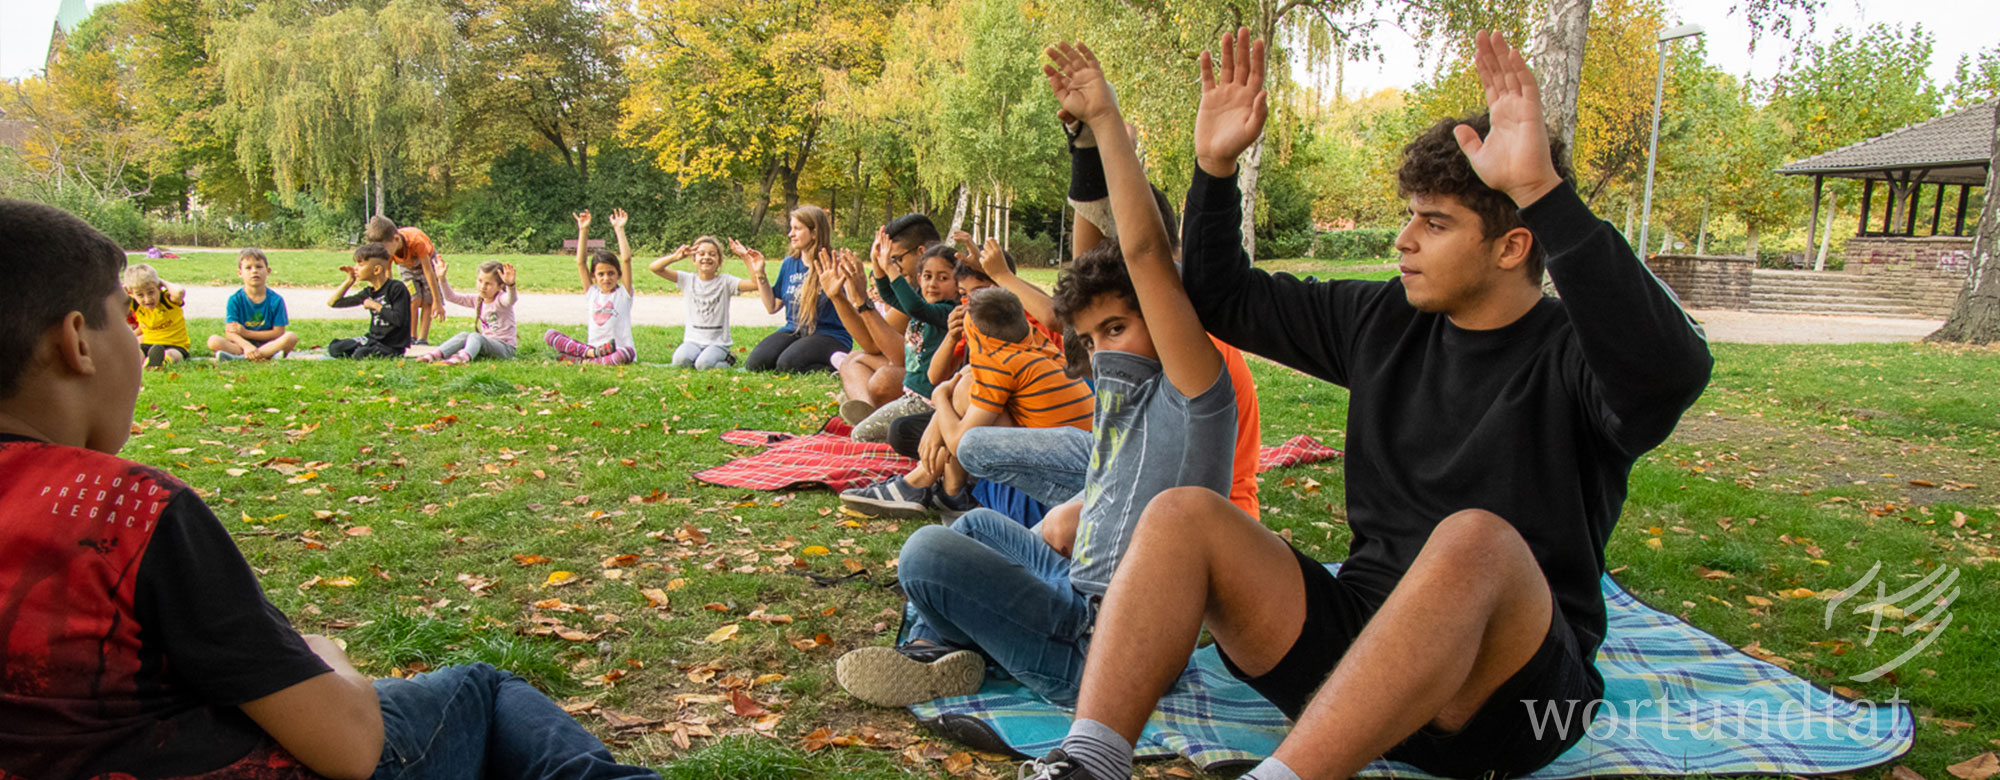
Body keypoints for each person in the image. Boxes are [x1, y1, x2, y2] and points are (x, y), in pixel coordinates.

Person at [1017, 32, 1712, 780]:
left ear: (1513, 247)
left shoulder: (1579, 357)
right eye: (1410, 215)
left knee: (1474, 539)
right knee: (1183, 513)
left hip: (1502, 700)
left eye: (1434, 223)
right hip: (1353, 665)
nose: (1404, 241)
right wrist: (1215, 169)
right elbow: (1224, 299)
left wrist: (1547, 196)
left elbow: (1668, 374)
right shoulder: (1386, 322)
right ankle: (1089, 760)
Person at [0, 198, 661, 780]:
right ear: (78, 342)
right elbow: (349, 747)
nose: (139, 337)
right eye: (126, 318)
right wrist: (327, 656)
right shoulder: (130, 512)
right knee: (480, 692)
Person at [833, 48, 1237, 710]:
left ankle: (962, 643)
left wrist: (1107, 124)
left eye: (1119, 330)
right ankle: (938, 654)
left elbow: (1142, 258)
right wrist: (1081, 145)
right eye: (1095, 333)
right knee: (974, 531)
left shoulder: (1197, 391)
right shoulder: (1117, 379)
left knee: (925, 555)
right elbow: (1089, 273)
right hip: (1073, 588)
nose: (1103, 348)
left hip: (1107, 651)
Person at [835, 214, 939, 421]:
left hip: (939, 381)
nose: (894, 266)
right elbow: (874, 345)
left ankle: (872, 417)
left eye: (897, 259)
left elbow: (899, 356)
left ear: (921, 252)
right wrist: (838, 297)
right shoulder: (916, 287)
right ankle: (868, 415)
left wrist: (862, 300)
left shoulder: (940, 288)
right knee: (852, 361)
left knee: (883, 380)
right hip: (918, 369)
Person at [742, 205, 851, 373]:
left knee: (787, 364)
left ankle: (836, 368)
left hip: (830, 335)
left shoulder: (833, 264)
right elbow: (772, 306)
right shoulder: (789, 263)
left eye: (797, 229)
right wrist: (760, 273)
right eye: (791, 228)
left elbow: (852, 307)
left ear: (814, 233)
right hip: (794, 330)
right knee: (756, 363)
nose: (790, 234)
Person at [649, 236, 766, 369]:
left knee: (703, 364)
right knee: (680, 361)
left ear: (719, 261)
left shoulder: (726, 282)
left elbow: (756, 284)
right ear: (694, 259)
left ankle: (728, 360)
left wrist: (745, 256)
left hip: (718, 343)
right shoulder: (686, 280)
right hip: (692, 341)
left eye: (712, 254)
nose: (706, 257)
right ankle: (698, 358)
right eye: (701, 254)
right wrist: (675, 257)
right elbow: (654, 268)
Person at [544, 209, 638, 365]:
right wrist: (583, 230)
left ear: (619, 274)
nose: (606, 278)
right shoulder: (592, 292)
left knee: (627, 352)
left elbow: (627, 260)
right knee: (550, 335)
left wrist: (619, 229)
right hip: (592, 350)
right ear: (594, 276)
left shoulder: (624, 294)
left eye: (611, 273)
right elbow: (581, 263)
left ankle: (586, 362)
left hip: (618, 352)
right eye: (601, 274)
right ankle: (591, 356)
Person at [419, 258, 518, 365]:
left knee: (475, 336)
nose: (482, 287)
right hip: (486, 343)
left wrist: (510, 286)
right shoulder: (477, 299)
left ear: (500, 286)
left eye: (488, 284)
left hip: (505, 348)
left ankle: (463, 358)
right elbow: (451, 297)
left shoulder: (501, 299)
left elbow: (511, 300)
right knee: (464, 335)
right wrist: (442, 279)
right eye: (480, 281)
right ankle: (436, 354)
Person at [208, 248, 301, 361]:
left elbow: (278, 332)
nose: (254, 271)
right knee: (213, 341)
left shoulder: (276, 300)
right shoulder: (235, 300)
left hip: (269, 343)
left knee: (291, 337)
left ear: (268, 271)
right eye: (248, 268)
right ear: (240, 273)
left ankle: (243, 358)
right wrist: (247, 346)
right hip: (242, 345)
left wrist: (246, 332)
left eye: (259, 266)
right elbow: (230, 333)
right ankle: (264, 355)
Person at [364, 215, 444, 346]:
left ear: (396, 239)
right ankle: (411, 336)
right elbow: (387, 273)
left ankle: (422, 339)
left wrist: (437, 301)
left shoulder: (416, 241)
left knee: (427, 302)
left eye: (384, 249)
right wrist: (389, 297)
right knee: (413, 298)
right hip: (406, 267)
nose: (383, 253)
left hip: (425, 263)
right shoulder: (388, 250)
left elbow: (429, 272)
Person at [326, 243, 412, 360]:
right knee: (335, 348)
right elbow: (334, 303)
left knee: (360, 354)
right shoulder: (368, 292)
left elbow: (399, 319)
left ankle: (360, 351)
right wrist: (349, 281)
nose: (355, 268)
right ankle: (360, 349)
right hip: (372, 340)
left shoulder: (396, 288)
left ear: (376, 269)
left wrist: (375, 306)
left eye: (360, 264)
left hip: (391, 345)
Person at [121, 263, 190, 368]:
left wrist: (161, 281)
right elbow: (111, 297)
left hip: (175, 345)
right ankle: (139, 364)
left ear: (158, 287)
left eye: (151, 292)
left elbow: (179, 292)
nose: (147, 299)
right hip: (149, 343)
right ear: (131, 293)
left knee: (172, 354)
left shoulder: (168, 300)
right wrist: (126, 287)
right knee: (137, 351)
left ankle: (159, 362)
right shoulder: (134, 303)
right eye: (140, 295)